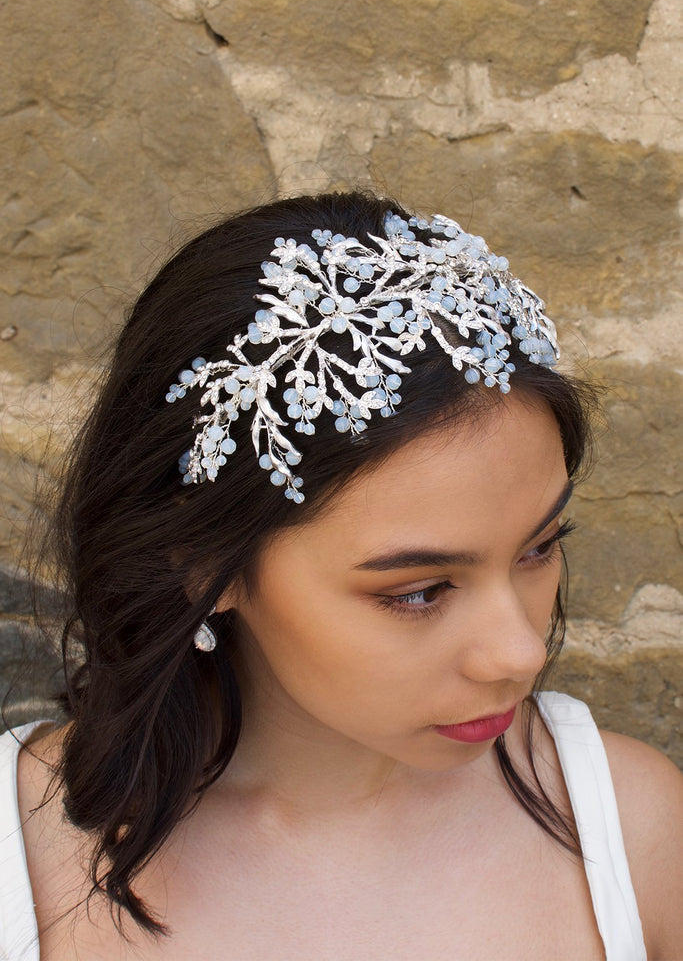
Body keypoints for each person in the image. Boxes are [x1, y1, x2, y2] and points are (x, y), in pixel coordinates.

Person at [1, 191, 681, 961]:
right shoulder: (21, 862)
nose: (519, 653)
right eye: (417, 591)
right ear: (201, 565)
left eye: (538, 547)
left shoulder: (636, 831)